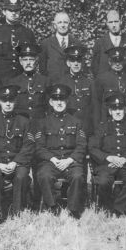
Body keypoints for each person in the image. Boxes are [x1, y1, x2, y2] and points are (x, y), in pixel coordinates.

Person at [31, 84, 88, 218]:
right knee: (44, 175)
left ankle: (73, 210)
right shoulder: (42, 123)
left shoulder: (77, 122)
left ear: (67, 101)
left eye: (62, 99)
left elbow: (81, 146)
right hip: (51, 161)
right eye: (56, 99)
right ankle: (52, 207)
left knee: (78, 176)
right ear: (51, 102)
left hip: (71, 160)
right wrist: (53, 159)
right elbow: (39, 147)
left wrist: (69, 160)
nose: (59, 102)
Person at [0, 85, 33, 222]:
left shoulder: (25, 122)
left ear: (16, 101)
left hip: (17, 162)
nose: (8, 104)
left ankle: (17, 213)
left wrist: (16, 162)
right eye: (4, 100)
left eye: (11, 100)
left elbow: (28, 145)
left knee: (21, 176)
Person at [88, 92, 126, 215]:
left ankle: (117, 208)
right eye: (114, 109)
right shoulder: (101, 127)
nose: (118, 112)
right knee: (103, 182)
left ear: (125, 110)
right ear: (110, 111)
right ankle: (108, 205)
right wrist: (108, 157)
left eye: (120, 108)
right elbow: (93, 148)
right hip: (107, 165)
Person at [0, 0, 36, 80]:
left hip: (22, 79)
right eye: (10, 10)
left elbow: (33, 58)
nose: (13, 13)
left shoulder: (28, 33)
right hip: (1, 79)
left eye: (16, 10)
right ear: (4, 12)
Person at [94, 45, 126, 123]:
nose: (117, 64)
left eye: (120, 60)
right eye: (114, 61)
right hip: (108, 123)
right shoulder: (102, 79)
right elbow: (97, 104)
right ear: (109, 61)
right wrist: (100, 124)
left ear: (124, 61)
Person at [59, 45, 96, 136]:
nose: (76, 64)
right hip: (68, 127)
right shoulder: (62, 82)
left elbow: (95, 108)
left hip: (86, 127)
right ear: (68, 63)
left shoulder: (89, 83)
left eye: (79, 61)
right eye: (72, 61)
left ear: (82, 63)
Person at [91, 9, 126, 77]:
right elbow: (95, 68)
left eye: (116, 21)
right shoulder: (99, 43)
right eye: (111, 22)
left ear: (120, 22)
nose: (114, 25)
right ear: (107, 24)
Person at [39, 11, 83, 83]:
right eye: (59, 22)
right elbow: (42, 69)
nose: (63, 25)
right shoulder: (46, 44)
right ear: (55, 25)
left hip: (72, 84)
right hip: (53, 85)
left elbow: (81, 66)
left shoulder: (77, 43)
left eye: (65, 22)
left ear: (69, 24)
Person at [13, 43, 49, 123]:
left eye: (31, 59)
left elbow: (49, 107)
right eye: (25, 60)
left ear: (36, 60)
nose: (28, 63)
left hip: (40, 122)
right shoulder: (13, 82)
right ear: (20, 61)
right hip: (20, 124)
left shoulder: (45, 81)